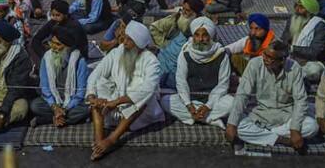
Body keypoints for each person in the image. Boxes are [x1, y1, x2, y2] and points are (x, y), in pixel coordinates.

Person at [86, 21, 164, 161]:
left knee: (142, 98)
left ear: (139, 43)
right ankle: (99, 140)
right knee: (98, 85)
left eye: (129, 39)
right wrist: (92, 96)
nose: (124, 42)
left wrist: (117, 102)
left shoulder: (151, 61)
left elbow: (147, 89)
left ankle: (111, 140)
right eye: (125, 37)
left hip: (139, 112)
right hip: (114, 105)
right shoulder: (117, 52)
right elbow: (95, 74)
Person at [226, 41, 318, 151]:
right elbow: (242, 94)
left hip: (286, 117)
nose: (265, 59)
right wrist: (232, 124)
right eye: (264, 54)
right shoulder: (255, 64)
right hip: (260, 115)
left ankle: (264, 136)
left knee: (312, 126)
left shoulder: (294, 68)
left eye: (270, 58)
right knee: (237, 125)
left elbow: (300, 100)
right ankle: (281, 139)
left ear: (282, 61)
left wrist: (295, 129)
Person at [164, 17, 233, 129]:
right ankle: (209, 119)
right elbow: (181, 81)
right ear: (193, 36)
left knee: (232, 103)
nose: (200, 39)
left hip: (213, 100)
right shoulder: (186, 52)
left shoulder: (220, 54)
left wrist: (208, 106)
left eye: (205, 35)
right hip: (191, 100)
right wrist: (188, 105)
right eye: (197, 35)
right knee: (165, 101)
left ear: (211, 36)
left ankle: (196, 117)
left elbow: (223, 84)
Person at [30, 26, 89, 128]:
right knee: (35, 105)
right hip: (54, 99)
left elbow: (80, 92)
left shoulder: (79, 61)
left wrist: (65, 109)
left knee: (87, 108)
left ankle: (48, 119)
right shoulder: (47, 58)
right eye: (52, 43)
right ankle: (63, 118)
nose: (53, 47)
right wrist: (54, 107)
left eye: (58, 44)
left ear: (68, 47)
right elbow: (45, 87)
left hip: (72, 101)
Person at [281, 0, 325, 83]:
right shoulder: (292, 20)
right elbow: (284, 40)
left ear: (309, 10)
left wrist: (292, 49)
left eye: (301, 7)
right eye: (296, 6)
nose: (297, 10)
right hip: (291, 59)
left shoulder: (319, 26)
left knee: (313, 70)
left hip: (311, 62)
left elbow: (314, 52)